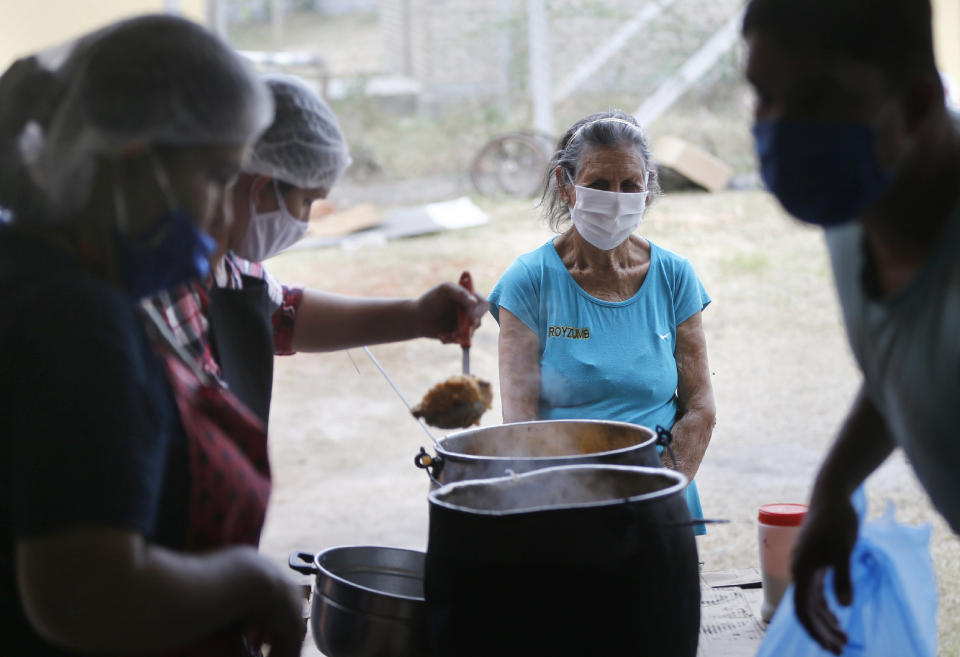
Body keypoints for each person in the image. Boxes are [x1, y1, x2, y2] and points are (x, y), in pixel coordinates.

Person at [0, 15, 306, 657]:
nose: (225, 214)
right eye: (220, 176)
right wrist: (254, 581)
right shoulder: (74, 323)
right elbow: (83, 594)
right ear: (139, 164)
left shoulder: (33, 267)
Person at [742, 0, 960, 652]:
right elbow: (908, 358)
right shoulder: (859, 208)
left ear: (918, 102)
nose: (781, 125)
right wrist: (835, 486)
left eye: (819, 97)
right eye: (763, 93)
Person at [150, 73, 488, 427]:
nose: (306, 221)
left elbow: (283, 315)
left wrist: (415, 316)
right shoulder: (161, 296)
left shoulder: (231, 265)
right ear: (260, 184)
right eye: (307, 200)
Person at [488, 110, 717, 534]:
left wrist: (656, 493)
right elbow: (520, 426)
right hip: (563, 508)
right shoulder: (529, 282)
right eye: (598, 184)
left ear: (648, 189)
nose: (615, 199)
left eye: (630, 185)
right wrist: (580, 508)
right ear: (566, 186)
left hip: (661, 503)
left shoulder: (674, 276)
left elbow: (700, 408)